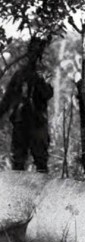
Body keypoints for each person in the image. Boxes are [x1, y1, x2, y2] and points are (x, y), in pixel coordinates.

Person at [0, 37, 53, 173]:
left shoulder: (43, 73)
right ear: (28, 51)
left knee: (41, 161)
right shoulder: (20, 75)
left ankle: (42, 192)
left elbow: (48, 94)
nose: (34, 53)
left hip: (37, 123)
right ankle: (18, 192)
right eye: (32, 49)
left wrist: (39, 80)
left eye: (37, 50)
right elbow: (7, 99)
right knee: (18, 161)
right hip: (21, 122)